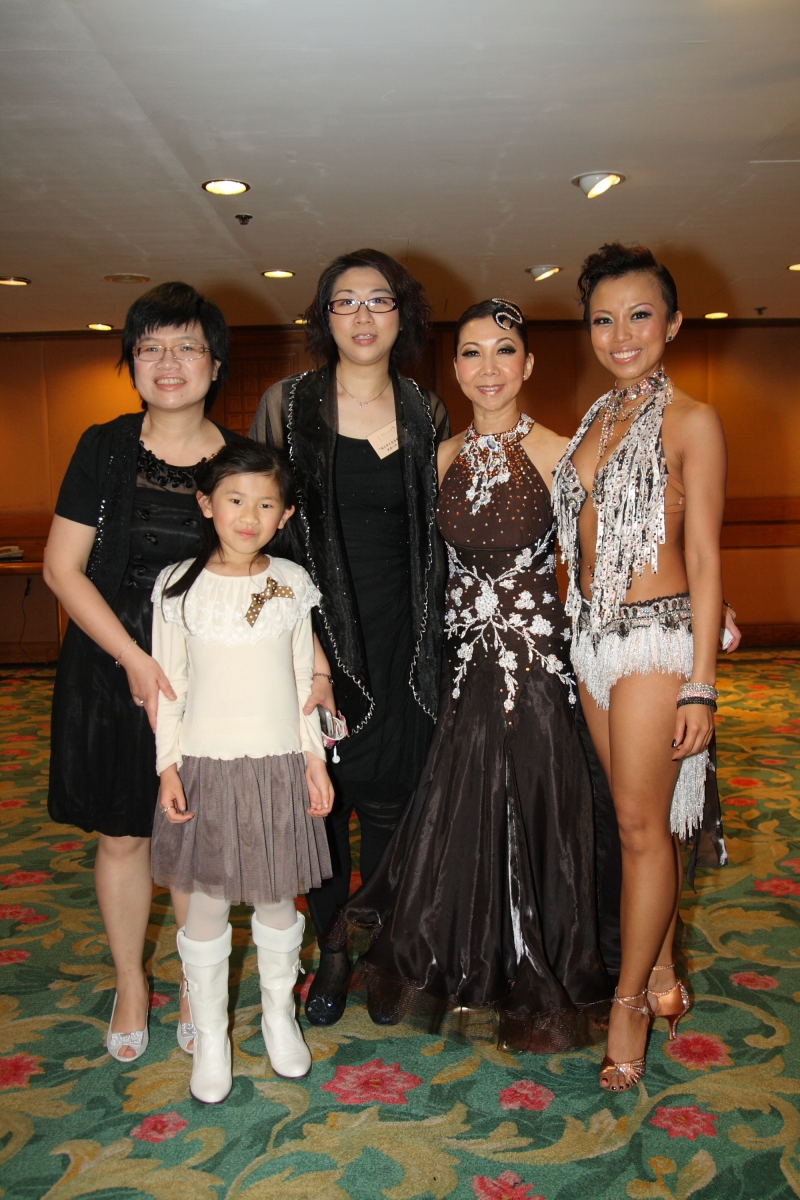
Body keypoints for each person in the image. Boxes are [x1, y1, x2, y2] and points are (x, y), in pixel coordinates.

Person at [329, 298, 621, 1051]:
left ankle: (547, 958)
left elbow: (609, 561)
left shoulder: (563, 452)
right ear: (454, 368)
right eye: (470, 352)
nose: (488, 367)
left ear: (529, 364)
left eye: (503, 350)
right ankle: (471, 957)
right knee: (463, 806)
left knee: (541, 802)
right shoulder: (439, 459)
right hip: (462, 661)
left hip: (537, 661)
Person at [249, 248, 449, 1026]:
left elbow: (442, 532)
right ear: (324, 316)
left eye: (379, 299)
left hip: (405, 632)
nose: (363, 315)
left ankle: (385, 948)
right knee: (320, 805)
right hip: (314, 630)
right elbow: (256, 524)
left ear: (403, 315)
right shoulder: (287, 404)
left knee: (397, 797)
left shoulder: (425, 409)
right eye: (345, 301)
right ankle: (333, 951)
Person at [44, 282, 241, 1061]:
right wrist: (132, 658)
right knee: (124, 835)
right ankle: (131, 979)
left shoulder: (243, 460)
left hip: (209, 669)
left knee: (191, 837)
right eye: (150, 347)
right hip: (109, 663)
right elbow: (63, 568)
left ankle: (194, 978)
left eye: (187, 346)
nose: (168, 362)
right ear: (131, 362)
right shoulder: (103, 446)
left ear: (214, 363)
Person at [551, 243, 729, 1091]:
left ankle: (628, 1006)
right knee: (629, 823)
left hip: (657, 641)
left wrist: (702, 682)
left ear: (674, 323)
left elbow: (705, 555)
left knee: (637, 827)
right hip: (591, 641)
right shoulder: (593, 420)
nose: (621, 335)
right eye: (603, 319)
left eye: (640, 315)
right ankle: (660, 971)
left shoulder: (693, 420)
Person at [150, 440, 334, 1103]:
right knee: (204, 903)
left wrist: (313, 758)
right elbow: (168, 688)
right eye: (234, 500)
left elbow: (303, 680)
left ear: (285, 515)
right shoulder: (176, 585)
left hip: (278, 763)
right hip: (204, 765)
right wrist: (167, 767)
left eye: (265, 504)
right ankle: (211, 1035)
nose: (249, 516)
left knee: (278, 898)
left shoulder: (290, 581)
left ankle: (280, 1017)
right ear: (206, 504)